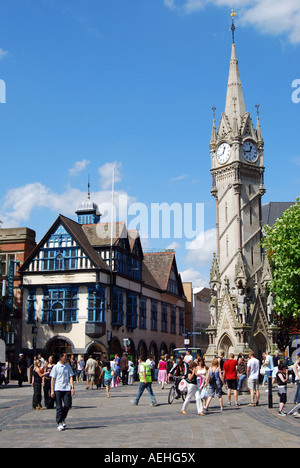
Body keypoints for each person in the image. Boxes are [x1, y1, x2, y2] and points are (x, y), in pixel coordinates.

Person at [50, 353, 75, 431]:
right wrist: (52, 390)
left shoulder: (68, 366)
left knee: (67, 405)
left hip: (66, 388)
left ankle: (63, 418)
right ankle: (59, 422)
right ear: (60, 357)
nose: (66, 357)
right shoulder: (56, 367)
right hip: (58, 389)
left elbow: (70, 376)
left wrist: (72, 387)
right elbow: (53, 379)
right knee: (59, 407)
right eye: (65, 356)